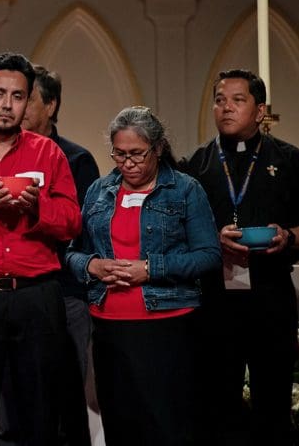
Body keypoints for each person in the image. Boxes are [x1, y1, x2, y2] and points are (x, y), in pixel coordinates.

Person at [67, 106, 220, 446]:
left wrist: (150, 269)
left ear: (158, 148)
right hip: (109, 326)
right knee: (122, 424)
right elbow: (71, 253)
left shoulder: (185, 190)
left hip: (167, 324)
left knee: (166, 425)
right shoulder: (98, 191)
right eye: (119, 155)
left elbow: (209, 255)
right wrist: (93, 265)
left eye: (137, 154)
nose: (128, 163)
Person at [0, 52, 81, 446]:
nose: (8, 104)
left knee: (41, 410)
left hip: (37, 295)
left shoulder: (48, 152)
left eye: (18, 95)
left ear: (28, 101)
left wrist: (36, 207)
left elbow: (71, 221)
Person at [181, 69, 299, 446]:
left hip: (272, 299)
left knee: (274, 408)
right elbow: (179, 232)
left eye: (237, 100)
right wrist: (211, 240)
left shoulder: (291, 160)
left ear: (260, 110)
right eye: (219, 100)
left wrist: (289, 235)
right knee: (217, 408)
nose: (225, 108)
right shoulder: (196, 166)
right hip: (215, 303)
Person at [18, 65, 99, 446]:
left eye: (26, 97)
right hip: (16, 290)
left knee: (66, 392)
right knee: (20, 396)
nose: (17, 106)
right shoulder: (3, 155)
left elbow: (81, 226)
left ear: (50, 105)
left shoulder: (76, 159)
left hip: (65, 291)